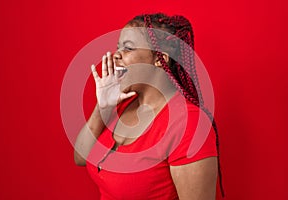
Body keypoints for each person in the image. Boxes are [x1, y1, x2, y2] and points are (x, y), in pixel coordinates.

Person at [74, 13, 224, 200]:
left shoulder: (189, 125)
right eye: (117, 47)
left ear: (160, 59)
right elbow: (80, 157)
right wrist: (102, 107)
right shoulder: (124, 104)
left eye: (128, 48)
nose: (116, 55)